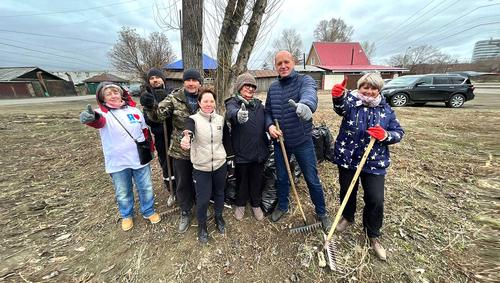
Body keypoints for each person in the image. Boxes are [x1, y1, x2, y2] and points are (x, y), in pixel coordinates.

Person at [330, 73, 404, 261]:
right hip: (348, 158)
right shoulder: (351, 104)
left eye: (373, 88)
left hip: (374, 161)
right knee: (347, 191)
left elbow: (399, 132)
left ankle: (373, 233)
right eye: (365, 87)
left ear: (379, 90)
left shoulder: (386, 110)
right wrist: (338, 96)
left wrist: (386, 135)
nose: (369, 91)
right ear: (360, 87)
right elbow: (339, 108)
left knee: (376, 198)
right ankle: (347, 217)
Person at [79, 82, 161, 231]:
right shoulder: (102, 113)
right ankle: (127, 215)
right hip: (117, 161)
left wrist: (151, 149)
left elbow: (145, 131)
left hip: (139, 158)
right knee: (123, 191)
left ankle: (148, 211)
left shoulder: (134, 110)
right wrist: (91, 118)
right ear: (102, 98)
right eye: (108, 94)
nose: (113, 95)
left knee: (146, 187)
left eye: (115, 92)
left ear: (121, 93)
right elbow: (98, 121)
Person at [264, 50, 332, 232]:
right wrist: (270, 126)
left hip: (302, 140)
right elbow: (268, 111)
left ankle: (321, 212)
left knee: (311, 178)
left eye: (286, 62)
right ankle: (283, 206)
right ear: (275, 66)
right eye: (279, 63)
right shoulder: (273, 88)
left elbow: (310, 95)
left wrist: (306, 106)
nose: (283, 66)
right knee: (282, 176)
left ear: (293, 62)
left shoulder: (305, 81)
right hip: (281, 142)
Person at [146, 69, 203, 233]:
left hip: (202, 148)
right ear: (184, 82)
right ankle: (185, 210)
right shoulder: (174, 98)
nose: (191, 83)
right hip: (180, 149)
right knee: (183, 182)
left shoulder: (205, 97)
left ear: (200, 83)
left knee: (200, 179)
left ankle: (201, 205)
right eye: (188, 80)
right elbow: (158, 116)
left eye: (194, 80)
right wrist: (150, 106)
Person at [180, 87, 231, 243]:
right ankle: (202, 227)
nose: (209, 104)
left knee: (220, 194)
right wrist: (186, 138)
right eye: (205, 101)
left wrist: (230, 160)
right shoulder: (193, 119)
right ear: (199, 103)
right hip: (201, 168)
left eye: (211, 101)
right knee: (202, 199)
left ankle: (219, 217)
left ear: (215, 103)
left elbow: (227, 141)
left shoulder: (220, 119)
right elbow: (188, 130)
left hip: (220, 165)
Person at [225, 73, 269, 221]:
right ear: (239, 87)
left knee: (257, 180)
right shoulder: (233, 103)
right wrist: (238, 114)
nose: (250, 88)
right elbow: (230, 112)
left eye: (252, 86)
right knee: (242, 181)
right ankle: (241, 204)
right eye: (246, 85)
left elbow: (267, 119)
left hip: (258, 152)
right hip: (242, 152)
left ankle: (256, 204)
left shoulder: (259, 105)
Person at [139, 68, 176, 207]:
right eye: (152, 78)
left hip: (175, 135)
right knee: (166, 164)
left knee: (179, 164)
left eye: (157, 77)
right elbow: (147, 120)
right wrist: (151, 108)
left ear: (163, 79)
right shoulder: (147, 96)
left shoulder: (172, 93)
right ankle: (172, 191)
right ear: (149, 81)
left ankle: (184, 189)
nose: (155, 80)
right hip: (161, 138)